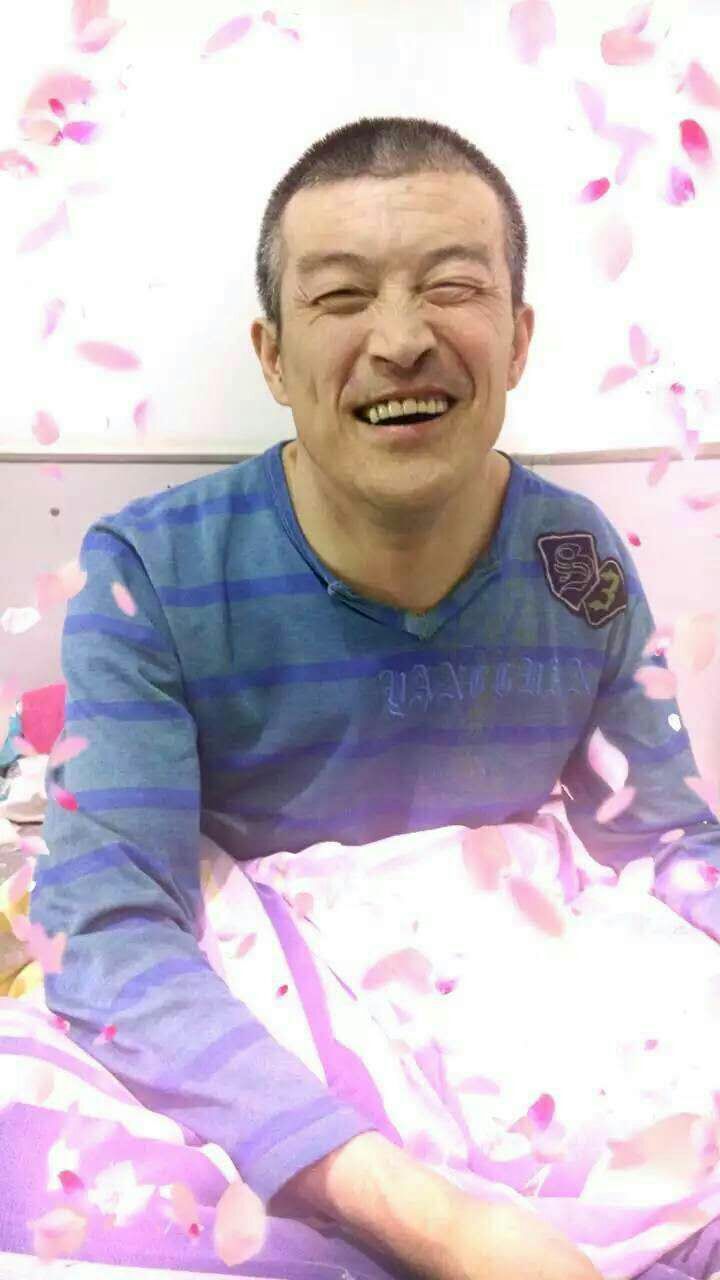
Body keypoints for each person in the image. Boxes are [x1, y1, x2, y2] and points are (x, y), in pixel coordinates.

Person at [18, 116, 720, 1279]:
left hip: (523, 1030)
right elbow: (107, 927)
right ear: (273, 355)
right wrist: (434, 1221)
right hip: (264, 1047)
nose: (401, 340)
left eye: (453, 286)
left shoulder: (575, 560)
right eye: (342, 297)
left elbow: (661, 841)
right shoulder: (150, 572)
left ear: (519, 336)